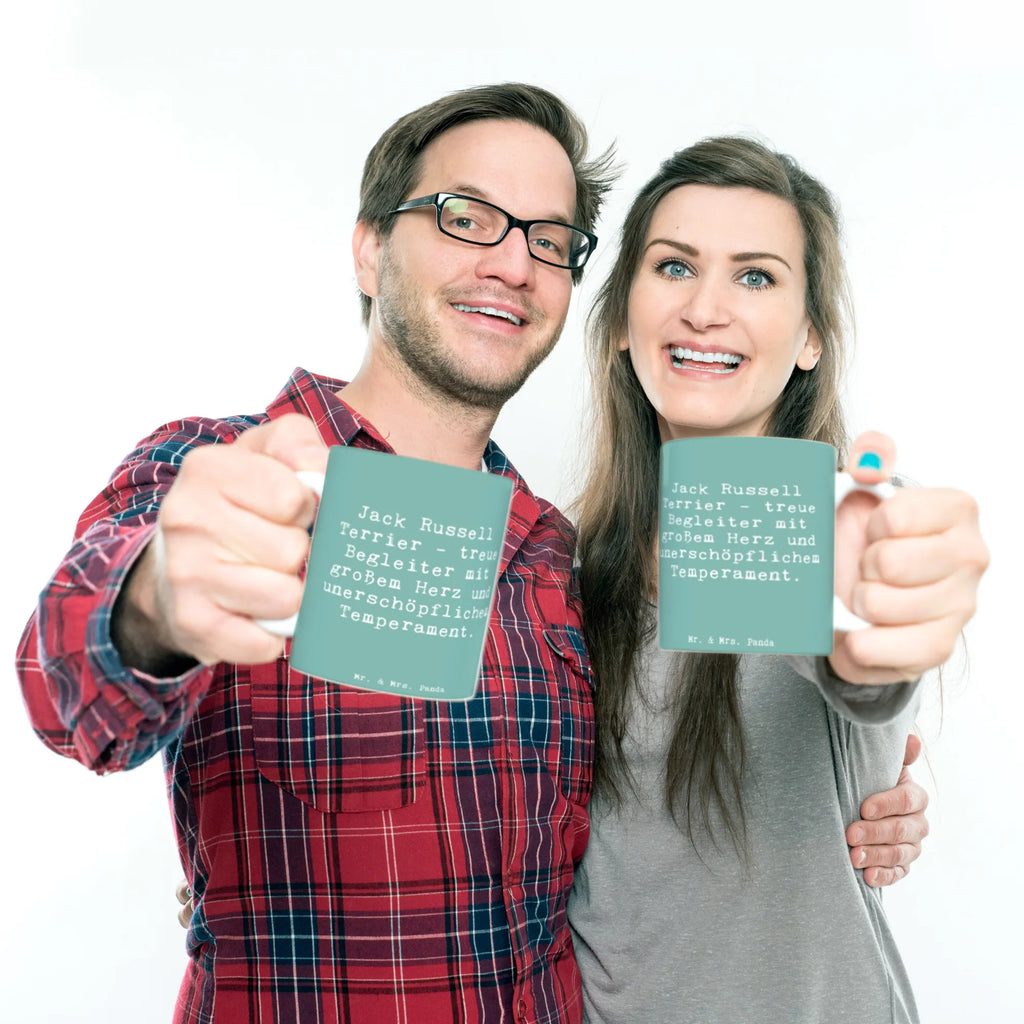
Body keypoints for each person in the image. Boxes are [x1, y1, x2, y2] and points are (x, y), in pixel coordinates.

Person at [16, 83, 961, 1024]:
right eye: (466, 217)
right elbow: (66, 686)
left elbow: (855, 652)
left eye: (548, 240)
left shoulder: (553, 558)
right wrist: (158, 604)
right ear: (369, 248)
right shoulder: (220, 473)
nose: (511, 263)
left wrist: (881, 694)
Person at [568, 136, 989, 1023]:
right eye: (674, 266)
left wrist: (882, 623)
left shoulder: (843, 525)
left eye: (755, 277)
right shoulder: (565, 570)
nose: (707, 309)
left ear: (809, 341)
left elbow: (860, 659)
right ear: (618, 321)